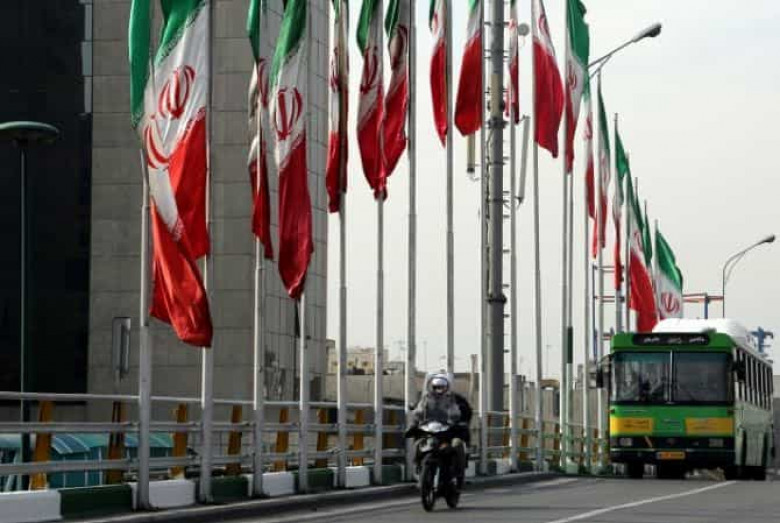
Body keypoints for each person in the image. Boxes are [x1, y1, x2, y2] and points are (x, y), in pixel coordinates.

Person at [408, 373, 471, 484]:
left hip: (449, 431)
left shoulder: (456, 399)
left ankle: (459, 475)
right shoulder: (426, 399)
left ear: (447, 386)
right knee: (418, 443)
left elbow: (467, 412)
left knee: (457, 444)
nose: (439, 389)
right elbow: (418, 412)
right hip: (429, 429)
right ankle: (417, 466)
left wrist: (461, 422)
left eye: (442, 387)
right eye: (436, 387)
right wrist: (414, 424)